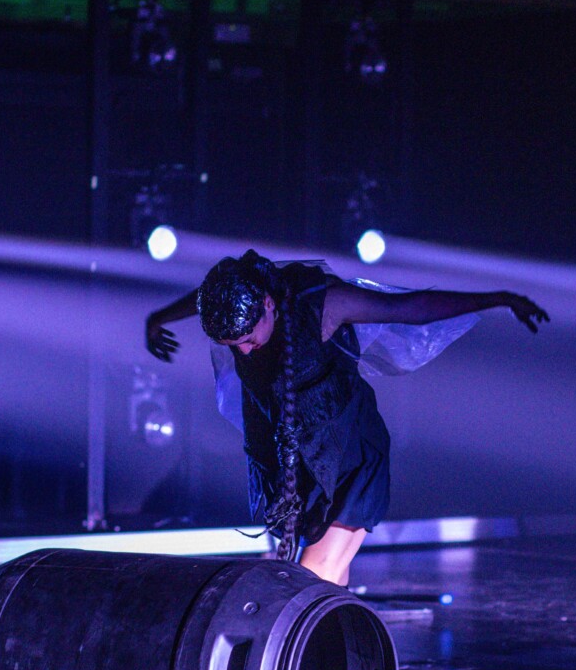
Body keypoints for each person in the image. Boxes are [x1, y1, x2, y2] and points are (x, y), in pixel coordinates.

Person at [145, 250, 548, 586]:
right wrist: (158, 317)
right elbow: (207, 294)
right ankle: (334, 663)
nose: (246, 352)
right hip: (295, 458)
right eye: (234, 347)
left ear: (268, 304)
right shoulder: (233, 298)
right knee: (323, 580)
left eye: (249, 339)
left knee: (306, 581)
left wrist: (498, 298)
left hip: (349, 457)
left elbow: (412, 308)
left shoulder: (321, 307)